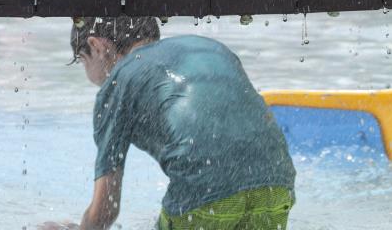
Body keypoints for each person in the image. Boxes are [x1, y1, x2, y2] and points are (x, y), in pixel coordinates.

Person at [40, 16, 296, 230]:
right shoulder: (207, 47)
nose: (89, 76)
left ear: (96, 46)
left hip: (205, 191)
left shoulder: (119, 81)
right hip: (276, 182)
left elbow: (105, 212)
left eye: (83, 61)